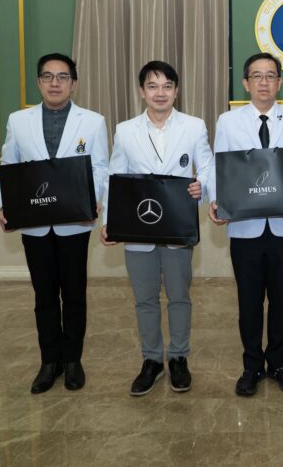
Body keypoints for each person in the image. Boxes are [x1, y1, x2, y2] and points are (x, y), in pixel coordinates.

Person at [100, 61, 214, 396]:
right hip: (138, 231)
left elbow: (207, 167)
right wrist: (110, 222)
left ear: (176, 91)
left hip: (178, 228)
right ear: (142, 91)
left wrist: (202, 186)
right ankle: (151, 360)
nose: (160, 93)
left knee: (179, 296)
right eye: (152, 86)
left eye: (167, 86)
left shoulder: (193, 126)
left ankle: (178, 357)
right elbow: (114, 178)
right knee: (145, 298)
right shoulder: (125, 130)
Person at [0, 52, 109, 394]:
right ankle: (49, 362)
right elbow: (8, 165)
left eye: (62, 77)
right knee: (44, 295)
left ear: (73, 84)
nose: (55, 83)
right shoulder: (19, 120)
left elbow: (100, 167)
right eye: (48, 76)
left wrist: (93, 198)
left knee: (74, 294)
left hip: (74, 222)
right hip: (34, 224)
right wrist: (6, 206)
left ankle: (73, 360)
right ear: (39, 82)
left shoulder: (93, 122)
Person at [208, 52, 283, 397]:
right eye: (257, 76)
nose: (264, 82)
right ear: (246, 83)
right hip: (245, 228)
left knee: (282, 300)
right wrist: (216, 200)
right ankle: (252, 365)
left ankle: (279, 362)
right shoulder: (228, 121)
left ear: (280, 82)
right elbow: (219, 167)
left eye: (271, 76)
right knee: (249, 301)